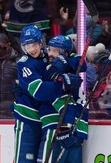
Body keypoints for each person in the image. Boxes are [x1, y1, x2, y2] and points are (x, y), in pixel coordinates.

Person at [12, 25, 82, 162]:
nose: (31, 49)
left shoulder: (47, 55)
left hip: (43, 116)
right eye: (27, 46)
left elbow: (79, 60)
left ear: (40, 43)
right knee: (25, 159)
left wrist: (65, 61)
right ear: (22, 47)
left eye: (34, 44)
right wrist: (63, 85)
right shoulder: (24, 64)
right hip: (27, 116)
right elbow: (39, 91)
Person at [45, 35, 88, 163]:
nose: (50, 54)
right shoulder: (50, 68)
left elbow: (82, 63)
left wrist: (66, 128)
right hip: (63, 126)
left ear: (66, 53)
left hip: (73, 126)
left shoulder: (72, 65)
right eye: (49, 49)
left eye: (55, 51)